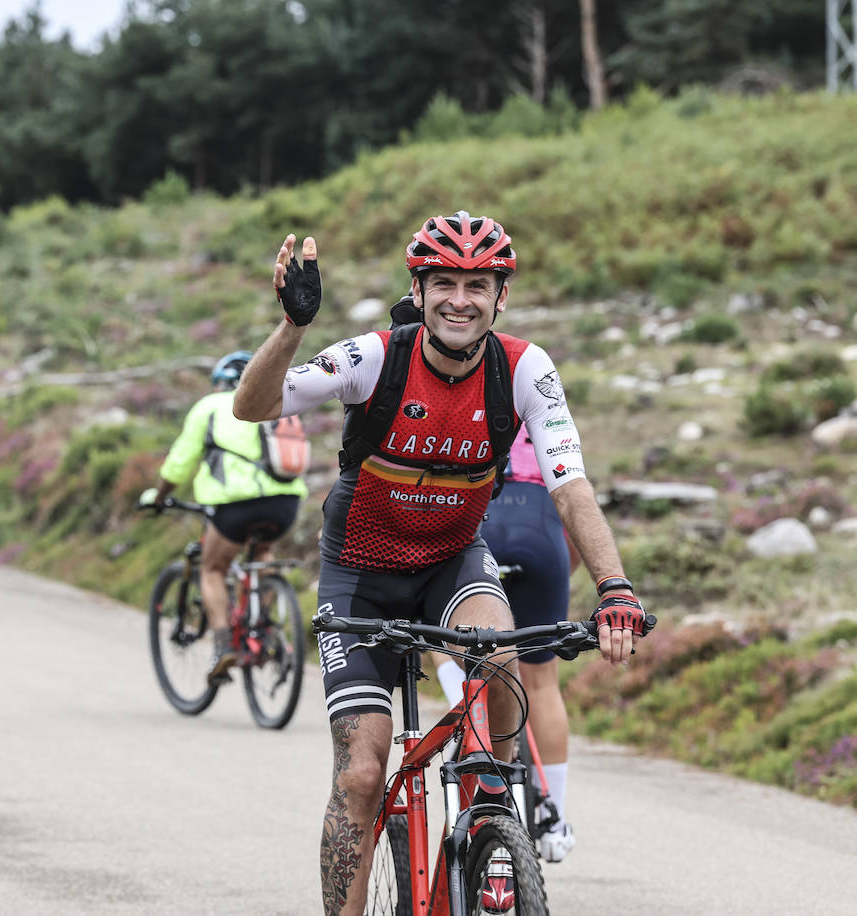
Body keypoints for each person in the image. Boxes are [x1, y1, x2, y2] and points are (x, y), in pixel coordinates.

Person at [231, 213, 648, 916]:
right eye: (444, 283)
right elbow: (252, 407)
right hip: (360, 571)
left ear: (500, 297)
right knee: (363, 774)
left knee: (502, 674)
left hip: (453, 561)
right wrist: (292, 330)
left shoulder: (525, 369)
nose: (461, 299)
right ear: (418, 291)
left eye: (478, 285)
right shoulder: (373, 359)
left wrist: (615, 587)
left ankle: (491, 829)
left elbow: (570, 486)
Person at [434, 428, 582, 862]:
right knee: (540, 682)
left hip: (480, 523)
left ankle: (474, 716)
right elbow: (574, 520)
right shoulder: (544, 409)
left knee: (443, 637)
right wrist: (554, 579)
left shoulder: (460, 400)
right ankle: (554, 819)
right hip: (542, 534)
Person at [139, 350, 308, 684]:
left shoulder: (211, 406)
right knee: (262, 553)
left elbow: (180, 462)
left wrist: (158, 497)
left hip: (236, 504)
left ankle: (223, 646)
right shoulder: (276, 403)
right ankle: (261, 626)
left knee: (213, 568)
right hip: (286, 503)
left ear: (219, 383)